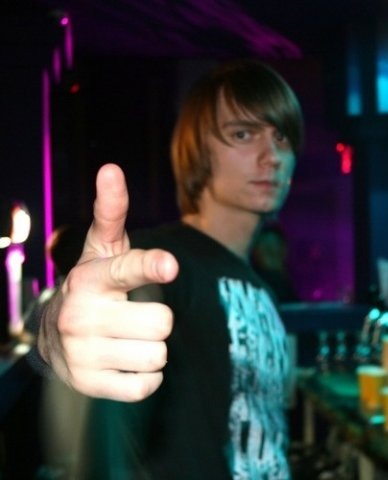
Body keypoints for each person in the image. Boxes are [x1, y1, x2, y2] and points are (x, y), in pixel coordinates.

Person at [36, 59, 304, 479]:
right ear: (199, 150)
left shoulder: (261, 288)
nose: (271, 156)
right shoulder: (163, 261)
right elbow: (80, 315)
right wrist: (60, 333)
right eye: (243, 134)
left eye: (281, 136)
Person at [251, 222, 298, 304]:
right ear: (256, 252)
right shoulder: (256, 287)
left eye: (276, 249)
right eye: (267, 250)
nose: (273, 254)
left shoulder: (293, 281)